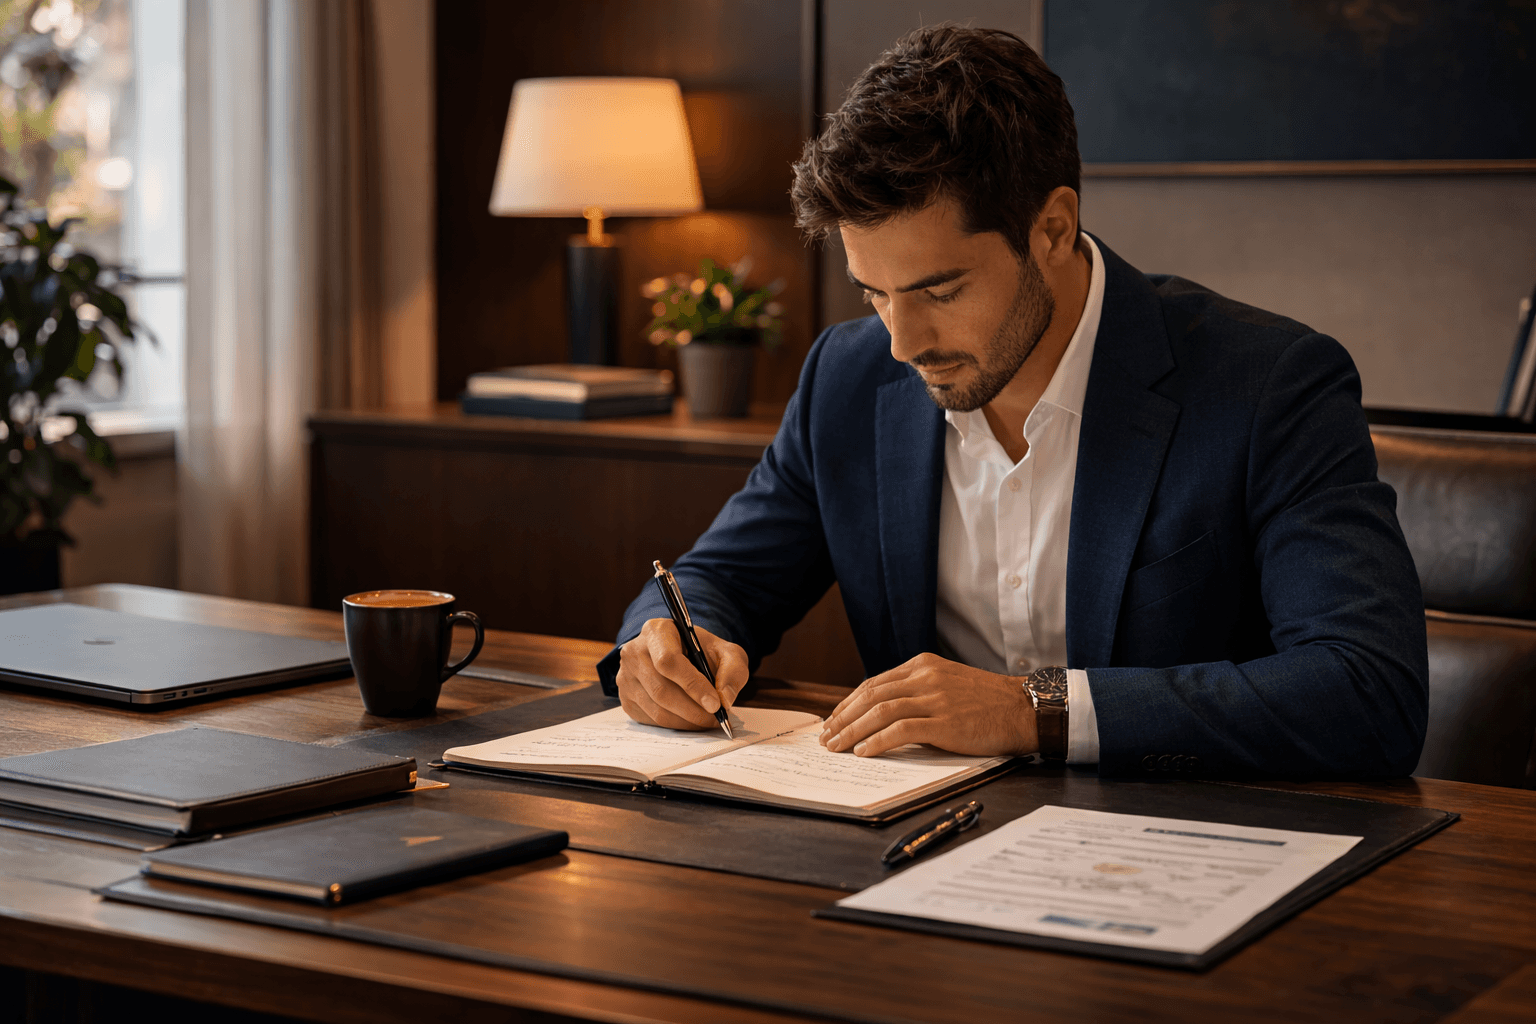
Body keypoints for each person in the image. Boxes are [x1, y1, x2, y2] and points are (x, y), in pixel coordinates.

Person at [596, 25, 1428, 777]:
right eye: (873, 295)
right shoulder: (848, 380)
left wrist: (1035, 710)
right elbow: (720, 577)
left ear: (1054, 229)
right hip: (917, 850)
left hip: (1194, 858)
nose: (902, 342)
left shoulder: (1271, 384)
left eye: (940, 289)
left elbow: (1367, 690)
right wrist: (668, 644)